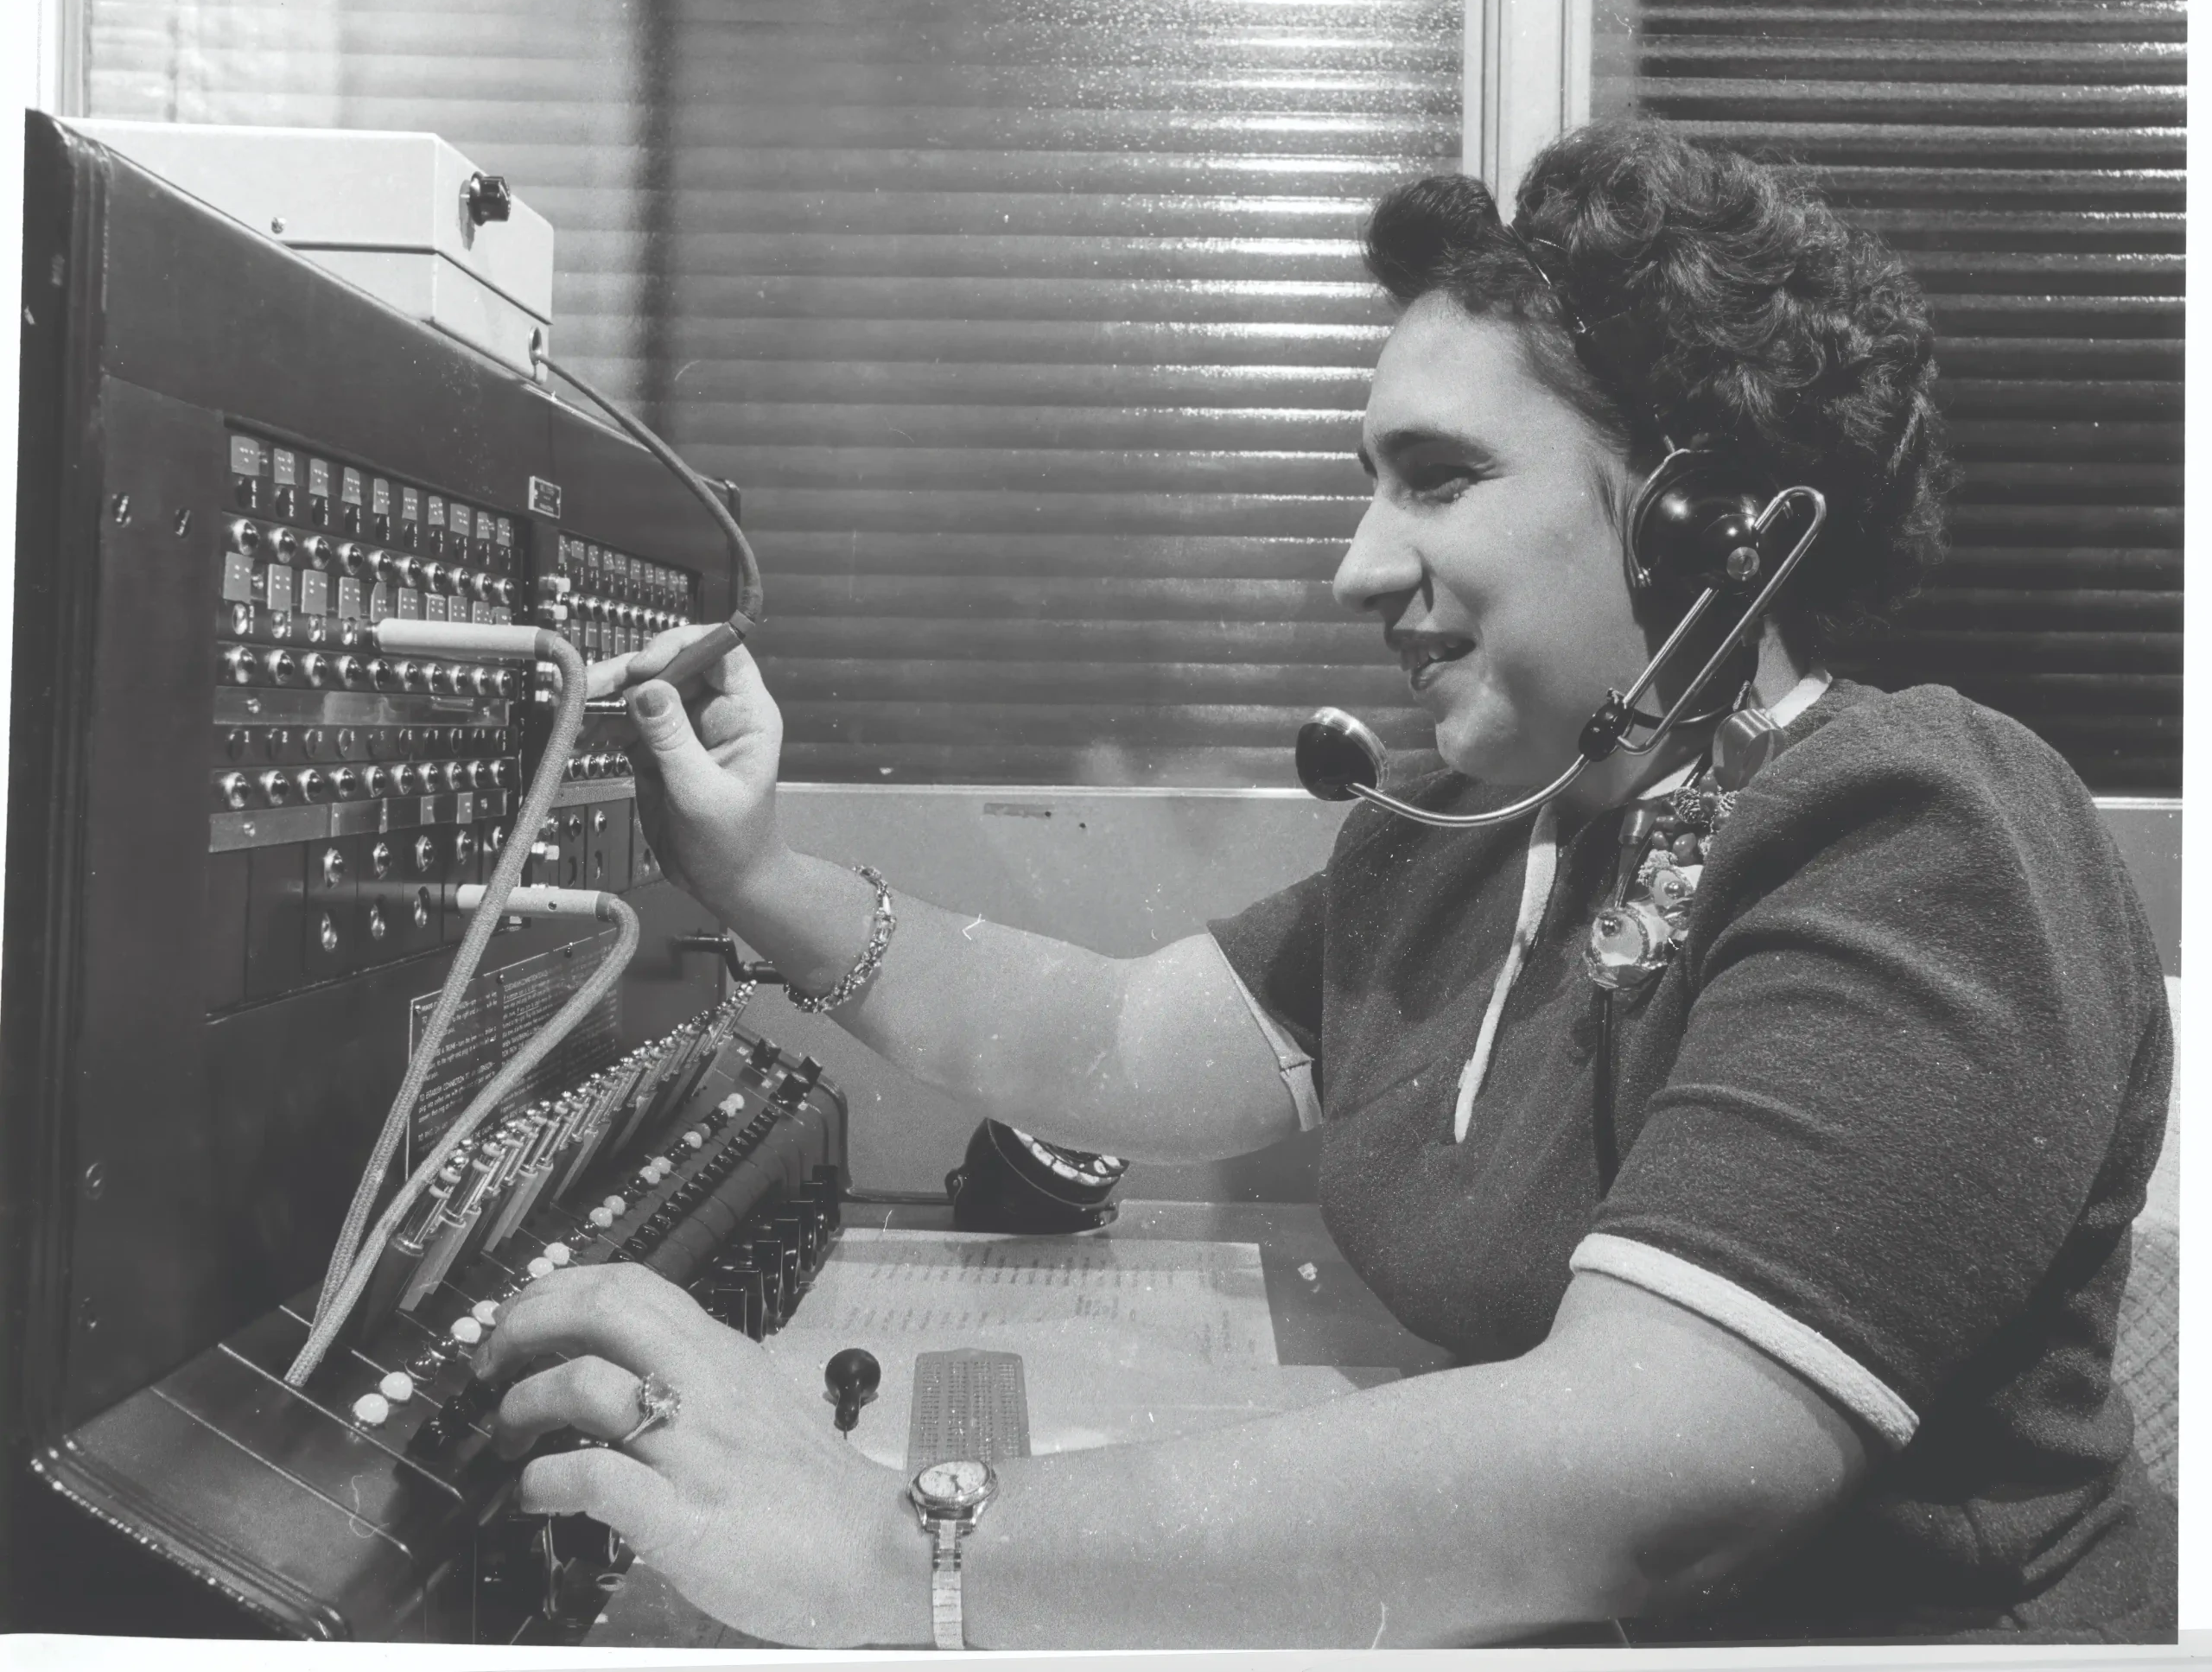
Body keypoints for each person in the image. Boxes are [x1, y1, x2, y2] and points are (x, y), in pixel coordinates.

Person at [471, 122, 2176, 1647]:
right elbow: (1107, 1038)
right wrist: (748, 867)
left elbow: (1644, 1473)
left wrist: (889, 1538)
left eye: (1437, 476)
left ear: (1704, 515)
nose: (1360, 563)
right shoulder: (1465, 844)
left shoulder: (1911, 828)